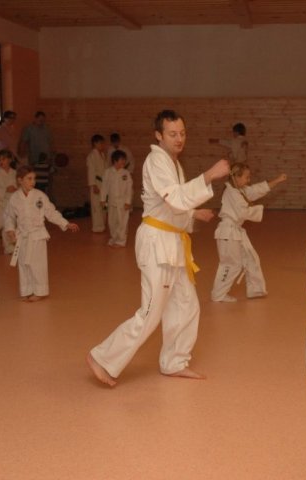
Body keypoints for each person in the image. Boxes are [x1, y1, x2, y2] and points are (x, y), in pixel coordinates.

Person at [86, 109, 230, 387]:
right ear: (159, 135)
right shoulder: (156, 160)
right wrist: (209, 175)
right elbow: (174, 198)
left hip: (172, 242)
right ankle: (102, 357)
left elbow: (168, 205)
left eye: (182, 133)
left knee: (186, 306)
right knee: (151, 311)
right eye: (172, 134)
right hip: (157, 243)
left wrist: (193, 214)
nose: (179, 139)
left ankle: (174, 362)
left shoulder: (173, 163)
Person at [211, 163, 286, 302]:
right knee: (231, 264)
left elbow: (256, 190)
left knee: (251, 259)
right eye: (246, 177)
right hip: (228, 233)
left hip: (235, 232)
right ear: (236, 177)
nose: (248, 180)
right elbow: (243, 212)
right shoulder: (231, 193)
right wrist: (260, 209)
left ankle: (255, 290)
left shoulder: (240, 190)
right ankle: (218, 294)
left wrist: (277, 180)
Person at [4, 165, 79, 302]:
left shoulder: (40, 196)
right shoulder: (14, 198)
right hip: (22, 235)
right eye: (29, 179)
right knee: (23, 264)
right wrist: (10, 230)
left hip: (37, 234)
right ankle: (27, 290)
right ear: (20, 180)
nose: (33, 182)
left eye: (34, 178)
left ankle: (40, 291)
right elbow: (9, 216)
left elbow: (51, 212)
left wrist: (65, 223)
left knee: (37, 264)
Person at [100, 150, 133, 248]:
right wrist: (102, 199)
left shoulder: (126, 173)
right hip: (111, 202)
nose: (124, 162)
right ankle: (114, 238)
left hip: (123, 202)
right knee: (112, 222)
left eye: (124, 160)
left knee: (122, 223)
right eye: (121, 160)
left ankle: (121, 241)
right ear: (115, 161)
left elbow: (129, 189)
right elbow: (104, 187)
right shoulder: (108, 172)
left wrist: (128, 202)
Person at [0, 149, 17, 254]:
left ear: (10, 160)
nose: (1, 162)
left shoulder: (14, 173)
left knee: (9, 225)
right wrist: (5, 189)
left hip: (11, 203)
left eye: (3, 159)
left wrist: (16, 189)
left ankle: (9, 247)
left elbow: (19, 185)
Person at [86, 134, 107, 233]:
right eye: (101, 143)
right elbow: (91, 171)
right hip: (96, 182)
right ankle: (97, 227)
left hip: (103, 183)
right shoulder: (91, 156)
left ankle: (103, 224)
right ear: (95, 143)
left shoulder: (102, 155)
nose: (103, 145)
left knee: (104, 204)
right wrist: (93, 185)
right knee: (96, 205)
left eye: (103, 143)